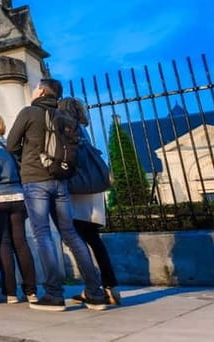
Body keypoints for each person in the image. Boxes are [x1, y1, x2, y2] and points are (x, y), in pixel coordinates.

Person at [6, 79, 107, 311]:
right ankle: (95, 292)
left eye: (35, 88)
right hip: (61, 179)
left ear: (41, 91)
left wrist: (29, 156)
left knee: (43, 235)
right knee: (71, 235)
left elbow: (11, 145)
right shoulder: (65, 116)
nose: (32, 91)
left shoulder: (29, 112)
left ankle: (54, 294)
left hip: (35, 179)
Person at [58, 98, 121, 306]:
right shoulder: (84, 130)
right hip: (95, 189)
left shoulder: (67, 128)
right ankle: (111, 286)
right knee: (95, 240)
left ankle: (92, 289)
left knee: (77, 241)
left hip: (78, 188)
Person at [0, 113, 38, 304]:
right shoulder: (12, 146)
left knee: (2, 244)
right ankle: (31, 291)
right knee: (21, 244)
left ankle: (9, 291)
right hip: (18, 196)